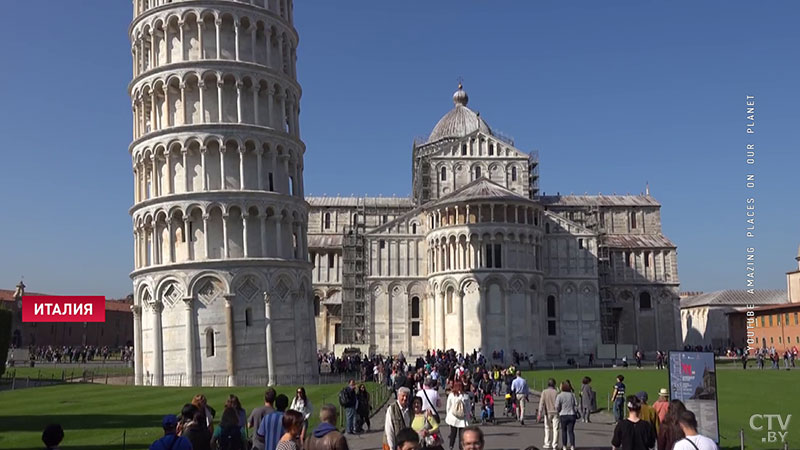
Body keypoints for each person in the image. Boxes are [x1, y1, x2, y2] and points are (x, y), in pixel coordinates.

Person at [445, 381, 471, 450]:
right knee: (461, 435)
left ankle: (451, 446)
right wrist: (468, 417)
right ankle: (461, 447)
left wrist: (448, 415)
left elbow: (448, 406)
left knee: (453, 433)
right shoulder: (466, 396)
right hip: (463, 418)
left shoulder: (451, 395)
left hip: (453, 417)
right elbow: (468, 408)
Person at [537, 378, 559, 450]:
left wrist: (539, 413)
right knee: (556, 429)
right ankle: (554, 444)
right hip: (555, 412)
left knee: (547, 428)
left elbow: (541, 403)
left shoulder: (544, 392)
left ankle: (547, 443)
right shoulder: (556, 392)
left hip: (548, 412)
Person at [555, 381, 578, 450]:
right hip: (571, 414)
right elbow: (576, 404)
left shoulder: (560, 396)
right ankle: (572, 445)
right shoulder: (572, 395)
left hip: (563, 414)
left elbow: (556, 406)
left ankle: (564, 446)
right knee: (571, 431)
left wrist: (559, 410)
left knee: (564, 431)